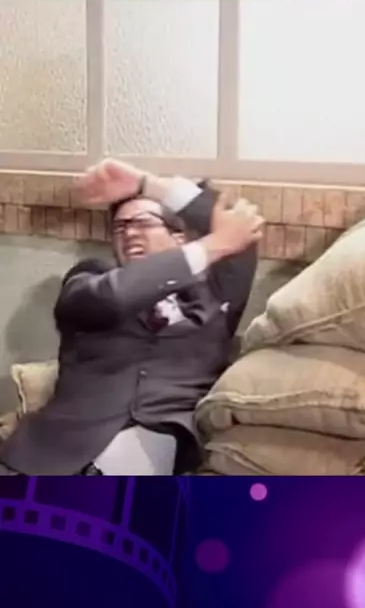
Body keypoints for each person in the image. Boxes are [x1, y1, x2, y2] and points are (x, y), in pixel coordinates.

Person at [0, 159, 263, 476]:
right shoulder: (89, 280)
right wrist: (211, 246)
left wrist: (146, 184)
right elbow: (112, 298)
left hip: (155, 445)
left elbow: (234, 226)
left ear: (180, 237)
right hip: (54, 452)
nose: (129, 233)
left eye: (143, 222)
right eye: (120, 227)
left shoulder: (216, 293)